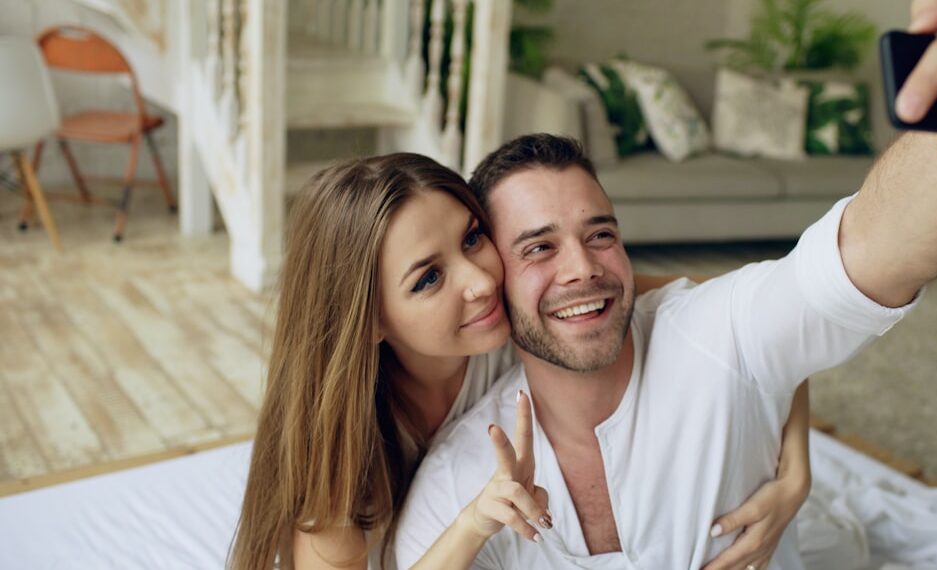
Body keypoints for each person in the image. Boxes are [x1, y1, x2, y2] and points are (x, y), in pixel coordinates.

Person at [394, 1, 937, 568]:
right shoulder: (461, 480)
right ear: (496, 279)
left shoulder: (712, 330)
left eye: (601, 234)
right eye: (539, 247)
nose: (583, 267)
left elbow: (876, 250)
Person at [228, 153, 812, 570]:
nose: (481, 281)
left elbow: (746, 314)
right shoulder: (339, 455)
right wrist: (472, 523)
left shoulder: (516, 315)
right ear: (370, 321)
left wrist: (796, 472)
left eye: (472, 239)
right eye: (429, 278)